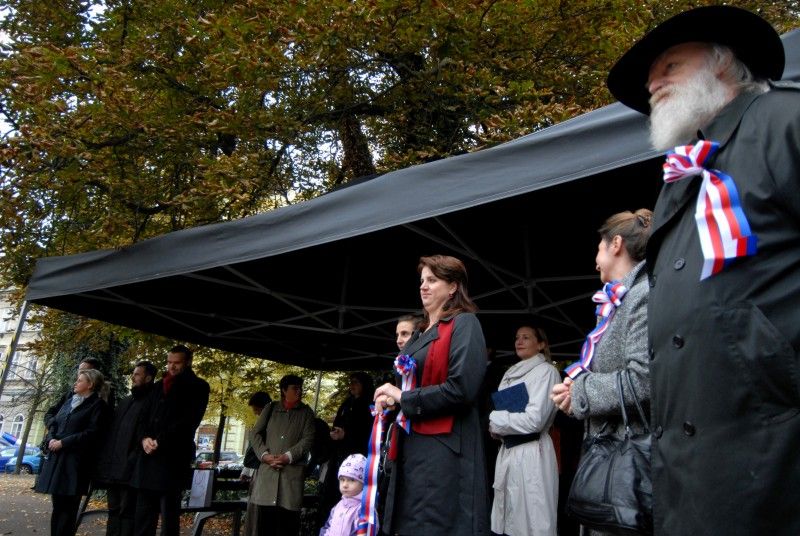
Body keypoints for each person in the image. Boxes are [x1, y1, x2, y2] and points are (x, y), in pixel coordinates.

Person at [605, 5, 800, 534]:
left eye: (668, 66)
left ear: (721, 62)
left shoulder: (783, 120)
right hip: (690, 467)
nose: (653, 83)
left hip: (771, 448)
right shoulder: (681, 177)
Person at [550, 209, 652, 536]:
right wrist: (575, 391)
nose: (595, 258)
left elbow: (644, 381)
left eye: (599, 247)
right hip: (611, 464)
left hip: (628, 474)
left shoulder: (644, 297)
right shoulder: (617, 302)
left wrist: (580, 392)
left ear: (616, 244)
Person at [374, 254, 489, 535]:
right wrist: (391, 399)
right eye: (422, 280)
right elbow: (412, 386)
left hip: (445, 452)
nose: (423, 286)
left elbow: (461, 389)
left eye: (432, 280)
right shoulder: (418, 335)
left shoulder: (465, 324)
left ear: (452, 287)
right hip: (411, 449)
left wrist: (403, 398)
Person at [130, 345, 210, 536]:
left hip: (172, 460)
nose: (171, 367)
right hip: (148, 459)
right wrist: (144, 439)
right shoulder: (158, 386)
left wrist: (160, 441)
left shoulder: (198, 386)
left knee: (169, 517)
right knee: (143, 517)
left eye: (177, 363)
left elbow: (189, 420)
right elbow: (143, 417)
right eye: (169, 362)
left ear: (188, 362)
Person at [490, 325, 560, 536]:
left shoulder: (547, 371)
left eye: (526, 337)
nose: (519, 341)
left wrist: (495, 420)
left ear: (541, 344)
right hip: (508, 451)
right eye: (517, 337)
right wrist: (499, 427)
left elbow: (535, 420)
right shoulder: (510, 372)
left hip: (532, 452)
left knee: (533, 520)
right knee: (508, 519)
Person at [35, 368, 110, 536]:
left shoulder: (98, 406)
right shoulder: (69, 401)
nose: (75, 383)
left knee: (68, 508)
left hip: (76, 464)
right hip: (58, 460)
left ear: (90, 385)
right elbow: (54, 422)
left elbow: (93, 433)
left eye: (80, 380)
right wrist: (52, 439)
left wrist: (64, 442)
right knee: (58, 505)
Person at [95, 361, 157, 536]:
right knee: (114, 511)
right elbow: (113, 434)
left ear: (148, 377)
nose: (133, 377)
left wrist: (132, 460)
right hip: (114, 469)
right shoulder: (126, 401)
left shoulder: (152, 402)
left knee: (127, 512)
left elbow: (144, 434)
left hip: (131, 470)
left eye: (137, 374)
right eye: (134, 373)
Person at [249, 374, 315, 536]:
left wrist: (288, 456)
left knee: (287, 526)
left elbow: (308, 439)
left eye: (300, 388)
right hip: (267, 479)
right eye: (295, 388)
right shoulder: (270, 408)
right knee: (265, 527)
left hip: (290, 479)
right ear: (284, 390)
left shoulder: (306, 412)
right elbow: (255, 434)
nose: (299, 391)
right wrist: (265, 455)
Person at [319, 372, 374, 526]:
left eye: (356, 382)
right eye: (351, 382)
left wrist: (347, 435)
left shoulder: (369, 405)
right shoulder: (347, 403)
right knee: (333, 495)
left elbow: (368, 432)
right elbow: (339, 423)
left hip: (358, 459)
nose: (352, 386)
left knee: (352, 496)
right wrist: (335, 433)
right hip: (339, 456)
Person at [242, 391, 272, 536]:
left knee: (256, 509)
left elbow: (254, 450)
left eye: (257, 410)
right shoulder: (266, 424)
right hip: (259, 471)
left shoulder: (266, 425)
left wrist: (247, 469)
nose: (255, 414)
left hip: (262, 472)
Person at [319, 453, 367, 536]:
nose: (345, 485)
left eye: (351, 480)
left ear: (363, 483)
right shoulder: (338, 506)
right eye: (342, 479)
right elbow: (327, 527)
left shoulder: (364, 510)